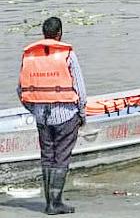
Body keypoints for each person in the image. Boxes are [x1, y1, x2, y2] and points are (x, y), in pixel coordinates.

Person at [18, 17, 86, 215]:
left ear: (43, 34)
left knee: (47, 157)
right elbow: (80, 89)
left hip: (41, 116)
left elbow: (20, 89)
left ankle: (49, 203)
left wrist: (34, 109)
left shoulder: (30, 56)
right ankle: (55, 203)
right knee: (61, 158)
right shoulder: (68, 55)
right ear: (60, 34)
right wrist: (81, 114)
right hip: (66, 115)